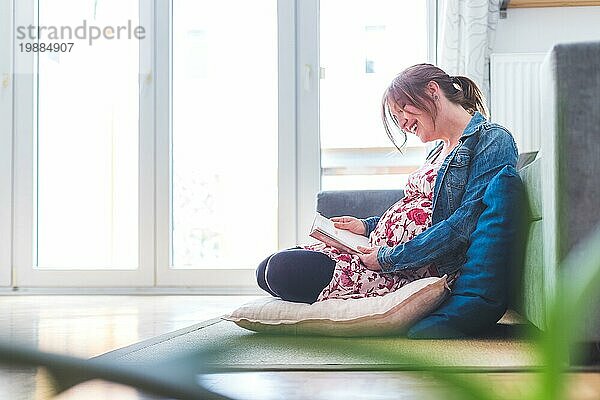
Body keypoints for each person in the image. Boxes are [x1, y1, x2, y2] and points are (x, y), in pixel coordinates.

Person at [256, 63, 519, 304]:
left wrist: (387, 258)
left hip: (408, 266)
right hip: (378, 252)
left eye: (402, 110)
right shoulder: (438, 151)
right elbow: (413, 207)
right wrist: (365, 225)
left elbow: (464, 224)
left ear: (432, 90)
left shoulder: (491, 140)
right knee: (264, 269)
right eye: (397, 116)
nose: (403, 124)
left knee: (282, 269)